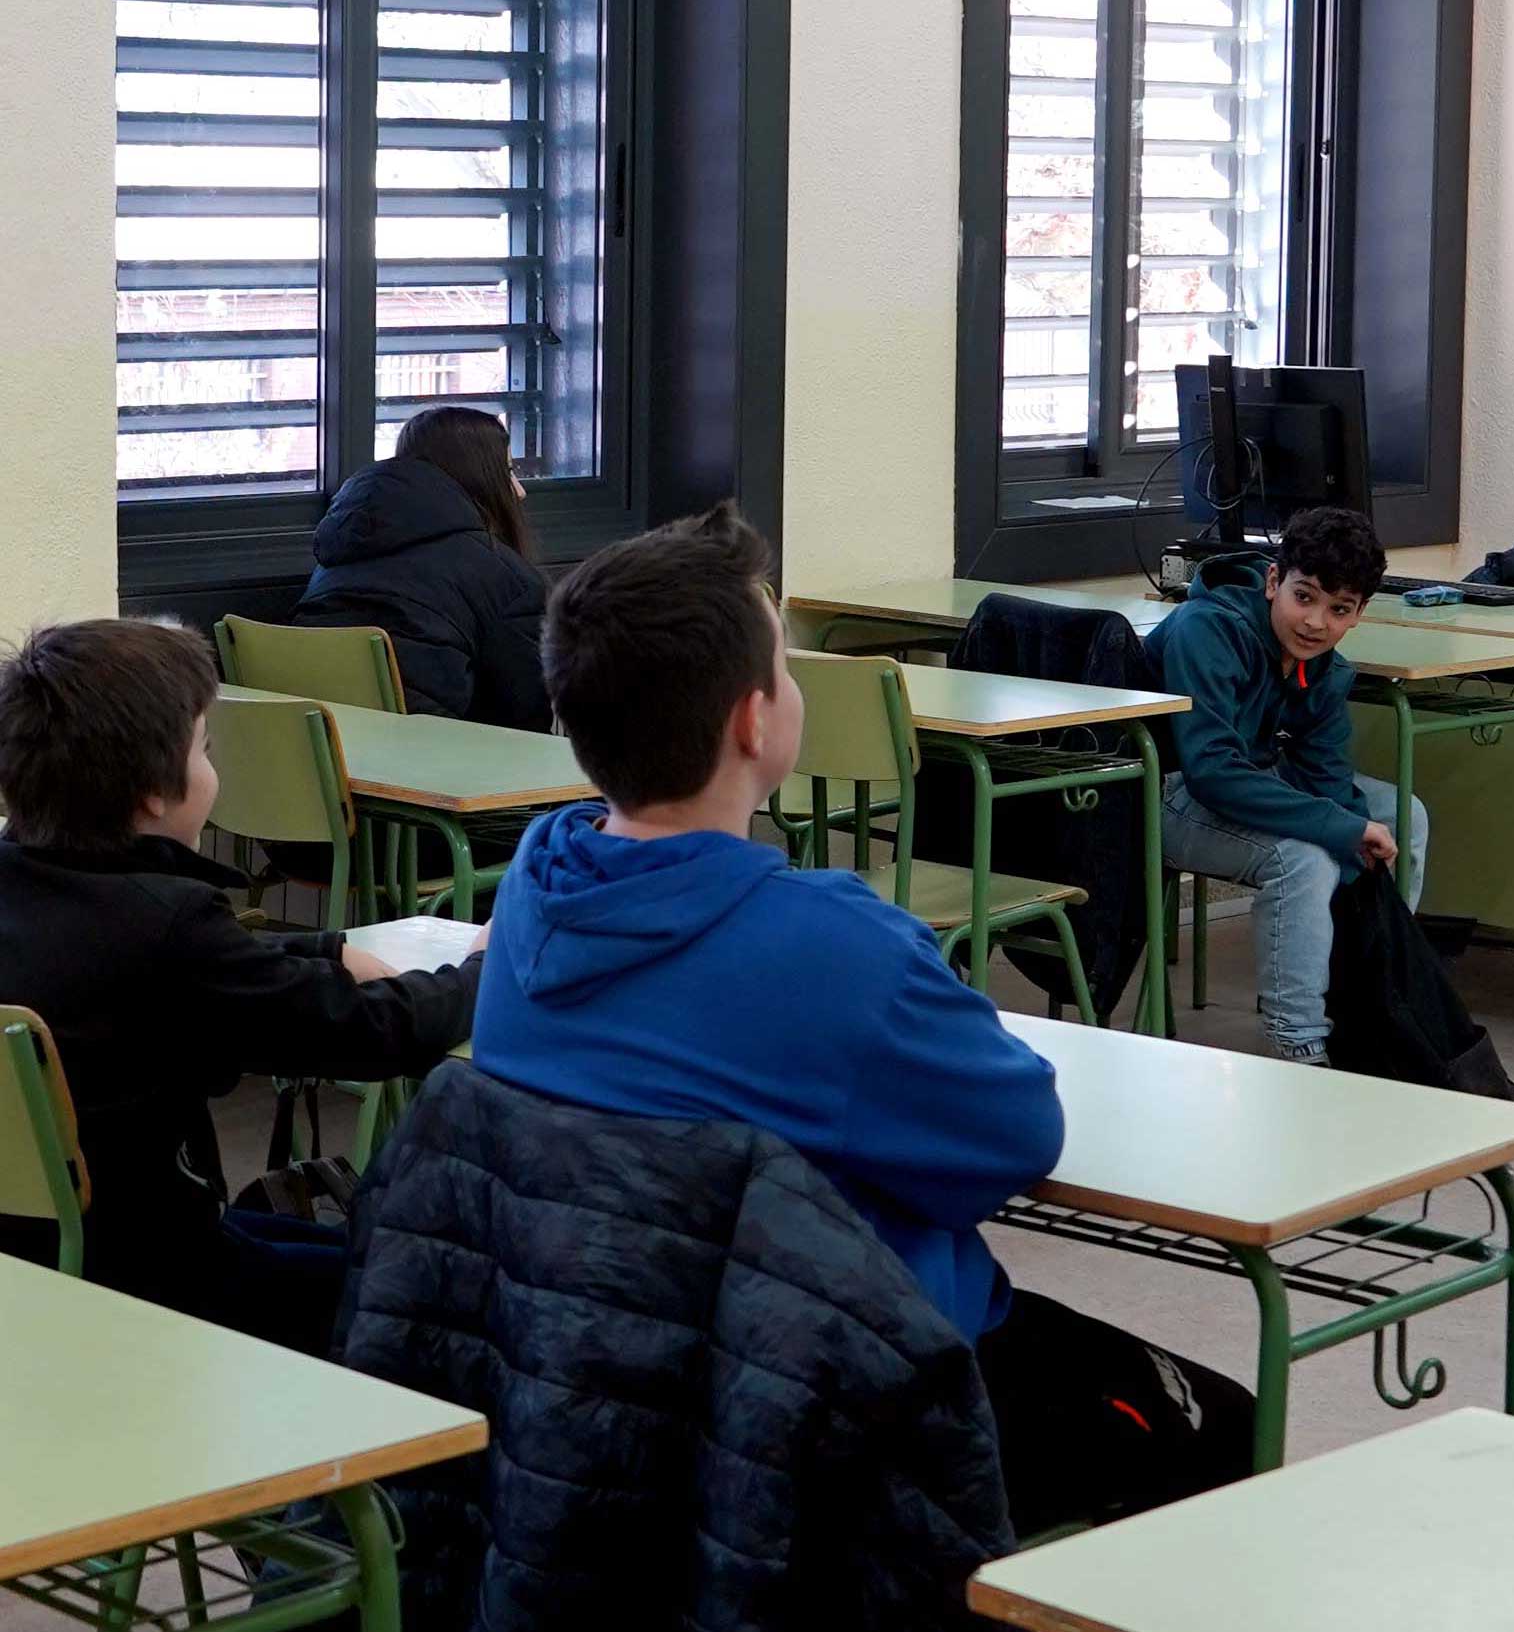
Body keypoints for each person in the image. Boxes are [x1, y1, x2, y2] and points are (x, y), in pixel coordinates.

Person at [475, 504, 1251, 1536]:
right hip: (855, 1395)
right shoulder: (835, 945)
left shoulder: (533, 888)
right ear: (757, 721)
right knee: (1231, 1422)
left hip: (599, 1376)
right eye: (787, 664)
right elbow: (1015, 1139)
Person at [0, 618, 479, 1353]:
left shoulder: (35, 881)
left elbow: (181, 963)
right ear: (156, 794)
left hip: (40, 1268)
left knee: (340, 1249)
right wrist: (491, 966)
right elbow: (381, 1033)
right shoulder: (172, 932)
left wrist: (321, 946)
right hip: (151, 1289)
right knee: (426, 1289)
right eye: (206, 749)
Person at [1144, 506, 1428, 1067]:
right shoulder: (1208, 630)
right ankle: (1296, 1044)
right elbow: (1212, 772)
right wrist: (1341, 832)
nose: (1316, 622)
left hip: (1251, 777)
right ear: (1274, 582)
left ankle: (1370, 997)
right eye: (1305, 597)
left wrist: (1357, 849)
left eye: (1338, 609)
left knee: (1402, 817)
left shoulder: (1323, 666)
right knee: (1304, 860)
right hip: (1165, 789)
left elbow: (1327, 777)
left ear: (1358, 614)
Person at [292, 405, 551, 731]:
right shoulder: (505, 577)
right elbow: (525, 726)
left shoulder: (335, 561)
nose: (519, 491)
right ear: (478, 476)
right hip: (441, 766)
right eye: (508, 472)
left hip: (328, 761)